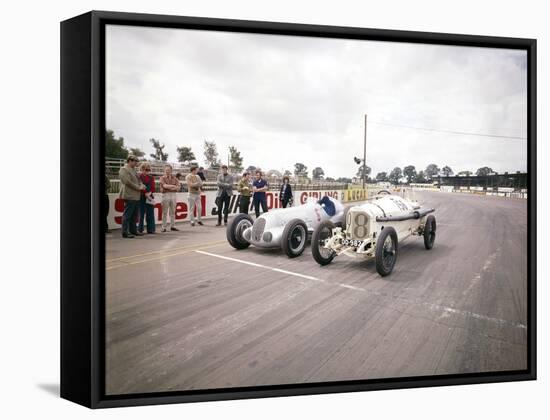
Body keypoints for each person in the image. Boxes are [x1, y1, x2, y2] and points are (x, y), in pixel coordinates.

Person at [118, 155, 146, 238]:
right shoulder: (124, 169)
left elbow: (139, 180)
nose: (136, 163)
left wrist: (142, 185)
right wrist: (138, 187)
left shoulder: (134, 170)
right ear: (130, 161)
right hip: (129, 195)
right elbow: (126, 181)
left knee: (134, 215)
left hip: (136, 195)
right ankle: (125, 232)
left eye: (136, 161)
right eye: (135, 161)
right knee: (127, 215)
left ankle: (133, 230)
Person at [159, 164, 180, 232]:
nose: (167, 171)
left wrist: (170, 187)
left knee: (173, 211)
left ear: (171, 170)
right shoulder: (162, 178)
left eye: (169, 170)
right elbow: (164, 186)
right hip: (166, 195)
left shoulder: (175, 178)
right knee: (164, 212)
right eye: (166, 170)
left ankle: (172, 226)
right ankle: (164, 227)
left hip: (173, 195)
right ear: (164, 170)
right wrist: (173, 186)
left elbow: (178, 187)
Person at [138, 162, 156, 234]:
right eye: (145, 169)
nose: (146, 171)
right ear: (142, 169)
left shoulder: (151, 177)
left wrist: (149, 194)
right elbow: (139, 186)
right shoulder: (139, 177)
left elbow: (153, 188)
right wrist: (145, 193)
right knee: (141, 213)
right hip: (141, 196)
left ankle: (151, 229)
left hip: (150, 196)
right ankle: (140, 229)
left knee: (150, 214)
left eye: (148, 170)